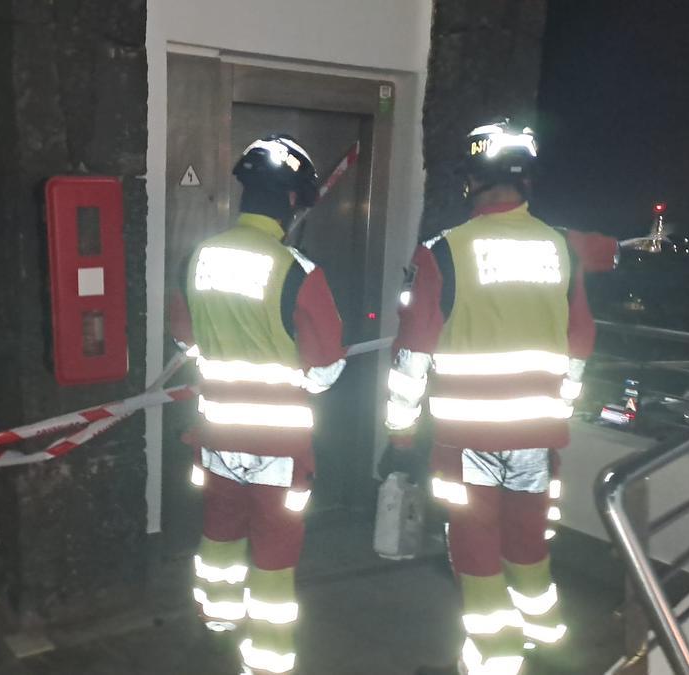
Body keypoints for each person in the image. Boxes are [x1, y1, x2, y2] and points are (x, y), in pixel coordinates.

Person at [384, 120, 615, 675]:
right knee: (528, 543)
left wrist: (400, 432)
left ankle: (497, 661)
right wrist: (557, 406)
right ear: (526, 180)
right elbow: (580, 339)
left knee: (475, 550)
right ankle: (547, 643)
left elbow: (414, 353)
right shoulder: (561, 248)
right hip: (536, 438)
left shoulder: (444, 251)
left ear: (472, 181)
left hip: (467, 443)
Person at [169, 134, 347, 675]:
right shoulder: (299, 271)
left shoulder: (200, 257)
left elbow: (187, 342)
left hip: (218, 436)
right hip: (279, 449)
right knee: (274, 551)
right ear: (294, 200)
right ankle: (266, 662)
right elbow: (324, 373)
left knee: (220, 531)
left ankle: (216, 626)